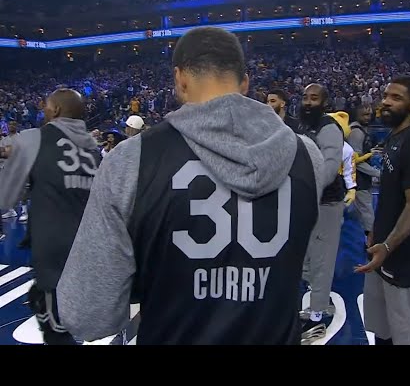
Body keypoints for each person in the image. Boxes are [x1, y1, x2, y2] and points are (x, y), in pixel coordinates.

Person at [56, 26, 325, 345]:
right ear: (245, 82)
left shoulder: (131, 160)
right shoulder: (308, 155)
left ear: (180, 80)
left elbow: (87, 314)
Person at [0, 89, 101, 345]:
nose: (42, 109)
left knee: (55, 327)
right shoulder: (94, 149)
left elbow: (4, 197)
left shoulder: (34, 138)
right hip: (90, 249)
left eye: (45, 105)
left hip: (53, 250)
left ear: (55, 110)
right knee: (64, 319)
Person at [355, 76, 410, 345]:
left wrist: (387, 246)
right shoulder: (394, 137)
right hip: (384, 249)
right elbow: (391, 198)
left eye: (396, 98)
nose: (386, 102)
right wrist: (376, 235)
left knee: (404, 332)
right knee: (381, 328)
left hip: (406, 257)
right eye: (386, 96)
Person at [298, 83, 345, 342]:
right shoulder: (306, 125)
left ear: (324, 102)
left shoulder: (328, 127)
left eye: (313, 98)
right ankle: (318, 305)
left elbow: (328, 167)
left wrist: (309, 194)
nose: (307, 102)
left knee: (321, 260)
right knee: (308, 259)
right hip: (311, 200)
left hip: (326, 202)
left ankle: (317, 318)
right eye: (305, 97)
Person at [347, 105, 379, 244]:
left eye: (369, 114)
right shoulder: (357, 132)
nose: (368, 117)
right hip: (357, 179)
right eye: (364, 115)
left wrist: (371, 151)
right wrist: (378, 173)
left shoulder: (360, 131)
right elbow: (356, 161)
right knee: (367, 212)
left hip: (357, 179)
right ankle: (370, 243)